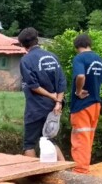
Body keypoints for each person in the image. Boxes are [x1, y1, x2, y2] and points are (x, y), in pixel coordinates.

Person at [17, 27, 66, 160]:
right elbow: (62, 82)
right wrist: (58, 102)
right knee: (49, 139)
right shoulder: (53, 57)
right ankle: (65, 170)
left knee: (29, 144)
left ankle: (32, 176)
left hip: (36, 108)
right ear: (37, 40)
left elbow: (34, 86)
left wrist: (52, 97)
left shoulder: (26, 60)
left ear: (23, 45)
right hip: (53, 107)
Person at [70, 33, 102, 174]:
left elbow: (80, 76)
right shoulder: (99, 59)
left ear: (76, 46)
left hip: (82, 104)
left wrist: (78, 91)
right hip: (96, 103)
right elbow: (100, 81)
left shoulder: (79, 58)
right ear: (89, 44)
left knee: (80, 137)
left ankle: (80, 170)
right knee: (88, 137)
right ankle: (85, 166)